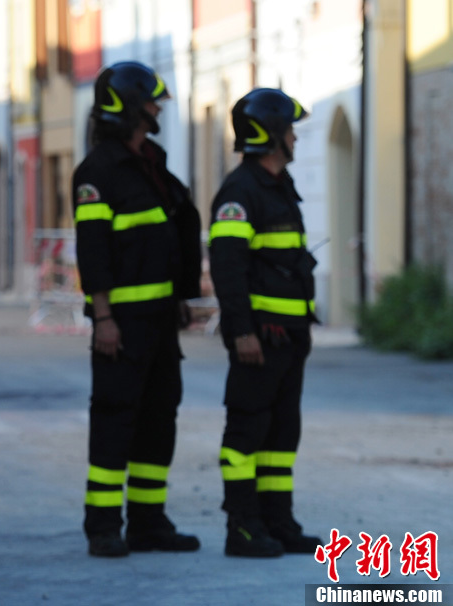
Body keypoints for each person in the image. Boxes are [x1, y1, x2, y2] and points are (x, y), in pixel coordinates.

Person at [72, 61, 202, 558]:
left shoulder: (152, 164)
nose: (158, 108)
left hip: (160, 322)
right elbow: (93, 251)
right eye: (152, 102)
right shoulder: (97, 173)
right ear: (129, 107)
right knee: (114, 421)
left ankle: (150, 522)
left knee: (158, 418)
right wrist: (102, 317)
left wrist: (180, 300)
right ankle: (104, 526)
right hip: (120, 328)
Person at [208, 88, 322, 558]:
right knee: (247, 433)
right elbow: (227, 268)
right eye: (290, 129)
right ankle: (244, 527)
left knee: (280, 436)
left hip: (289, 339)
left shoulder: (279, 189)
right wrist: (242, 332)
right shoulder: (240, 193)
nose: (295, 136)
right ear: (272, 135)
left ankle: (278, 521)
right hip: (260, 338)